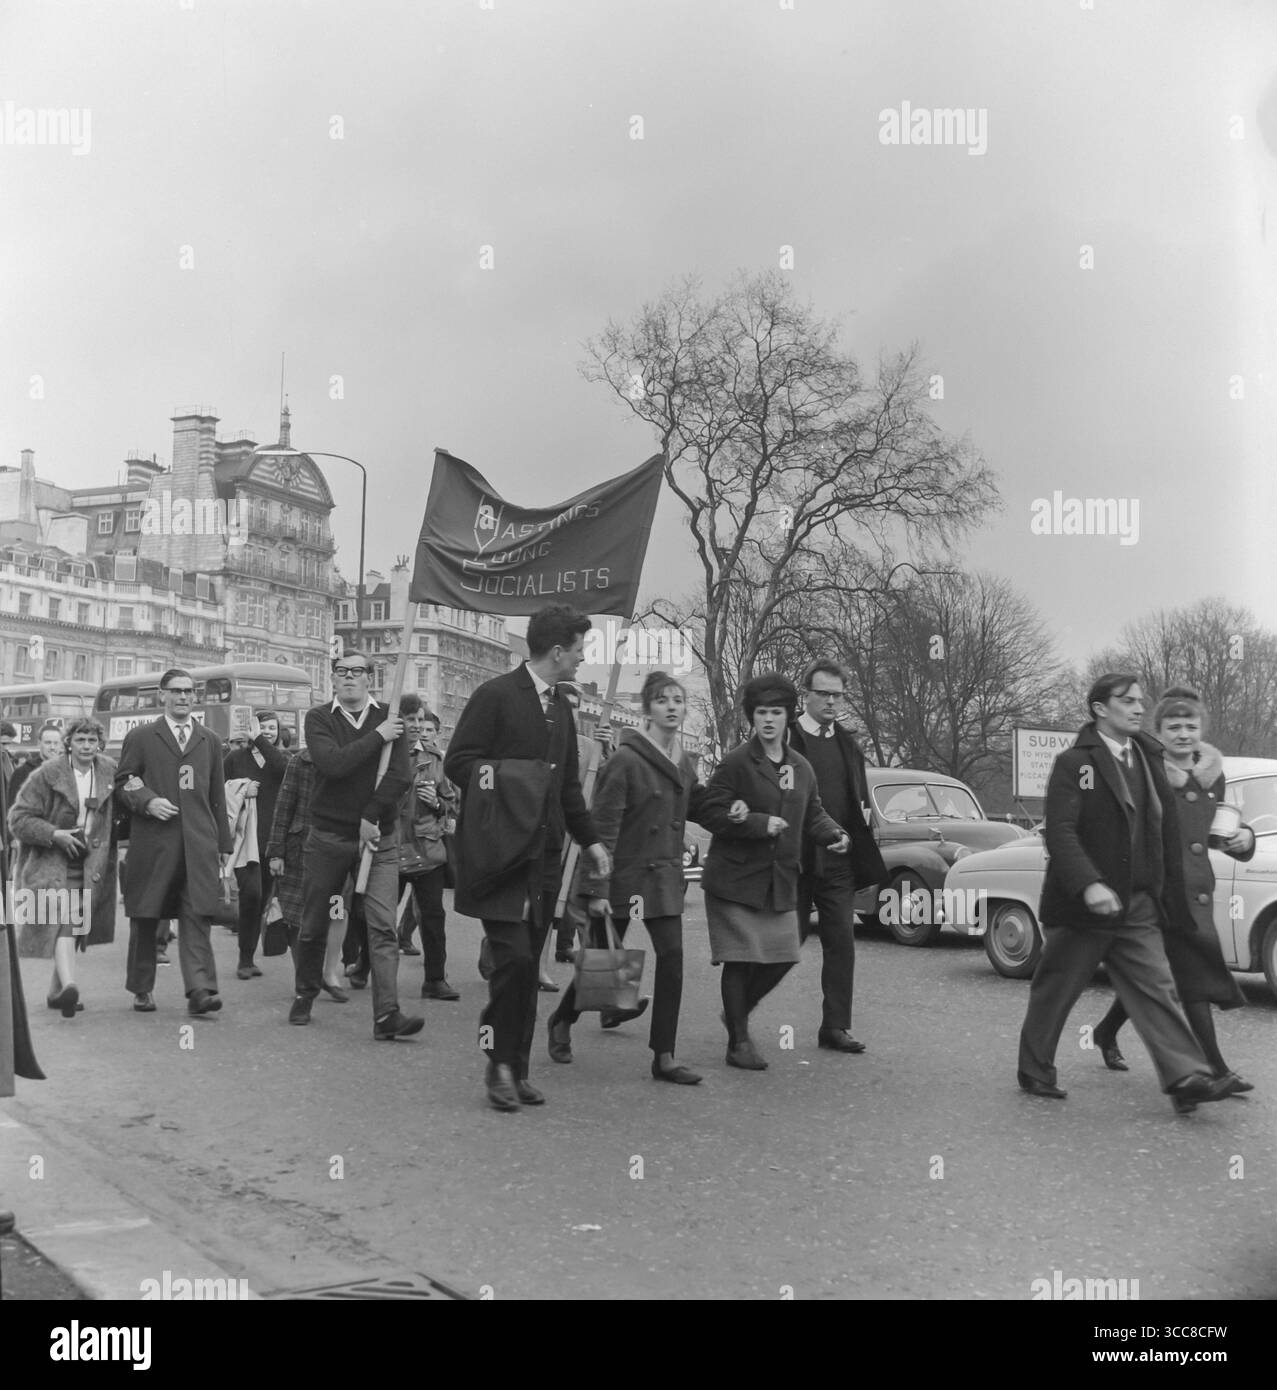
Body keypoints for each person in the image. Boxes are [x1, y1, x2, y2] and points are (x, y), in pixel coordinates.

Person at [1017, 673, 1241, 1113]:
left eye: (1141, 701)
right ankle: (1035, 1068)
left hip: (1139, 902)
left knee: (1158, 987)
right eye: (1128, 701)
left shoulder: (1149, 757)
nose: (1140, 708)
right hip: (1087, 905)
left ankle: (1185, 1076)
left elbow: (1171, 828)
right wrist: (1090, 883)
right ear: (1101, 709)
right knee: (1058, 987)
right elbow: (1061, 833)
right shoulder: (1078, 765)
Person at [444, 604, 609, 1112]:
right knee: (512, 960)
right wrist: (515, 781)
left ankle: (518, 1067)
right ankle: (496, 1062)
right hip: (499, 855)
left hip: (543, 858)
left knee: (529, 965)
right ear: (558, 651)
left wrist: (594, 840)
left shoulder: (563, 707)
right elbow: (460, 764)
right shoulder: (495, 696)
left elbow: (566, 790)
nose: (583, 660)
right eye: (580, 650)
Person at [1091, 686, 1255, 1092]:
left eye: (1191, 725)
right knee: (1189, 979)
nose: (1183, 733)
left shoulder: (1213, 776)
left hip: (1197, 891)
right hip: (1158, 893)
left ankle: (1106, 1031)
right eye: (1173, 726)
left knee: (1158, 979)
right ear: (1158, 731)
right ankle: (1215, 1068)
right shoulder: (1145, 773)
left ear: (1202, 729)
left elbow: (1217, 831)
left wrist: (1243, 840)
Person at [547, 671, 707, 1083]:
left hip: (664, 875)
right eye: (662, 700)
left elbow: (700, 805)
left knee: (672, 960)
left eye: (678, 700)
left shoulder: (683, 762)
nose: (672, 707)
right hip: (623, 875)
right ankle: (562, 1019)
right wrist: (597, 888)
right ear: (647, 709)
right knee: (605, 966)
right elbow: (602, 829)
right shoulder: (626, 759)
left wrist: (747, 815)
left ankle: (664, 1056)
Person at [697, 673, 850, 1070]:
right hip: (735, 879)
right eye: (762, 712)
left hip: (780, 878)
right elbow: (710, 810)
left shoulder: (801, 766)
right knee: (739, 958)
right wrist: (754, 823)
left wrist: (833, 833)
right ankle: (738, 1042)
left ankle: (737, 1011)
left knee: (784, 954)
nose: (768, 720)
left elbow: (812, 810)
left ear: (788, 717)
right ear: (753, 717)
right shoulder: (735, 763)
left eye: (776, 713)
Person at [287, 650, 420, 1040]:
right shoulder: (319, 718)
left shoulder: (389, 717)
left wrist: (372, 815)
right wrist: (377, 737)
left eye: (357, 672)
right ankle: (304, 993)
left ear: (368, 678)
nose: (349, 678)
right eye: (342, 672)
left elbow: (400, 776)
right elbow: (332, 764)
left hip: (379, 838)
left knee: (382, 927)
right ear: (333, 679)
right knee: (314, 923)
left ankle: (387, 1014)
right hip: (328, 836)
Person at [115, 669, 233, 1016]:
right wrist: (148, 800)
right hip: (154, 843)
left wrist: (223, 846)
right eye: (176, 691)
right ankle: (141, 988)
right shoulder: (142, 736)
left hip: (198, 844)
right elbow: (125, 780)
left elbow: (217, 797)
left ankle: (201, 990)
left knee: (197, 913)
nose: (183, 697)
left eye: (189, 692)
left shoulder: (209, 739)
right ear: (162, 696)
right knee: (146, 914)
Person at [787, 659, 887, 1054]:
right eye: (823, 694)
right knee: (784, 943)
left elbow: (855, 799)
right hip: (795, 859)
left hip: (839, 860)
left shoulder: (848, 742)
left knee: (841, 943)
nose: (831, 702)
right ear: (805, 695)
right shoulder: (788, 739)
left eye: (837, 695)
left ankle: (835, 1026)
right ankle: (740, 1012)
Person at [10, 719, 119, 1018]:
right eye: (80, 740)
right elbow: (18, 819)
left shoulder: (109, 771)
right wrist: (53, 834)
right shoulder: (47, 775)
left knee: (72, 924)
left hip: (90, 862)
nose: (86, 746)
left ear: (99, 743)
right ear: (69, 742)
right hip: (51, 861)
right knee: (64, 922)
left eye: (91, 740)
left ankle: (58, 992)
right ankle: (70, 985)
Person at [267, 748, 348, 999]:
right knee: (298, 915)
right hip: (300, 848)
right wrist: (276, 852)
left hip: (339, 847)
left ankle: (329, 973)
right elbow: (283, 806)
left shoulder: (349, 759)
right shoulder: (300, 762)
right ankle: (304, 976)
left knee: (338, 910)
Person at [395, 695, 459, 999]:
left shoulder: (434, 758)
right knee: (376, 915)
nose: (417, 726)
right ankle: (364, 965)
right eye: (411, 720)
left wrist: (437, 803)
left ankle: (435, 979)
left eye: (421, 720)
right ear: (400, 722)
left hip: (427, 847)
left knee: (434, 917)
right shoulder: (385, 754)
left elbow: (451, 801)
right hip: (391, 847)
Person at [223, 709, 291, 979]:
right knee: (250, 895)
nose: (268, 731)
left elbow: (283, 770)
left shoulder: (283, 758)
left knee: (262, 899)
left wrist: (261, 741)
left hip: (272, 842)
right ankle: (244, 958)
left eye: (272, 728)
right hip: (244, 842)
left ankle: (250, 957)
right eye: (262, 727)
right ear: (251, 728)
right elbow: (219, 788)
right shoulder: (235, 758)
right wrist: (241, 789)